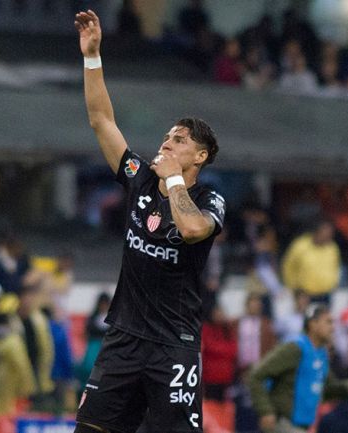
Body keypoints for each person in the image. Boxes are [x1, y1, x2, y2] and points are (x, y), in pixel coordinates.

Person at [74, 10, 225, 433]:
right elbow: (102, 121)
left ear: (200, 157)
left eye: (180, 140)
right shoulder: (140, 179)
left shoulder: (208, 198)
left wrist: (173, 179)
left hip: (173, 348)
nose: (167, 141)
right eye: (167, 135)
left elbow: (193, 230)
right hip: (123, 338)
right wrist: (92, 57)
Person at [247, 304, 348, 433]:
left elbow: (325, 390)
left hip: (302, 426)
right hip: (283, 423)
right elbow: (256, 375)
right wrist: (266, 411)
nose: (333, 328)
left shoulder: (321, 353)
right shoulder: (294, 348)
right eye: (328, 322)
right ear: (313, 324)